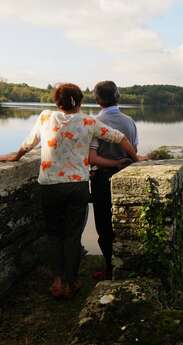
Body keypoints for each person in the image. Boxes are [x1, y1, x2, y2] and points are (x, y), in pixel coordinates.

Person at [0, 83, 144, 298]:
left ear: (57, 102)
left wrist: (16, 156)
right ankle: (72, 281)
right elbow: (121, 138)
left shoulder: (45, 117)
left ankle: (58, 281)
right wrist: (136, 158)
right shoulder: (89, 122)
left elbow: (29, 143)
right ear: (80, 102)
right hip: (77, 186)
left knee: (54, 234)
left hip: (50, 185)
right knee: (72, 235)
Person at [89, 81, 139, 280]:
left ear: (98, 99)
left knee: (103, 226)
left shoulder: (94, 122)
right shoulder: (130, 122)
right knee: (128, 224)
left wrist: (110, 164)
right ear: (117, 97)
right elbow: (134, 150)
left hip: (102, 178)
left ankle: (109, 268)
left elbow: (91, 157)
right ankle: (127, 267)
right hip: (128, 175)